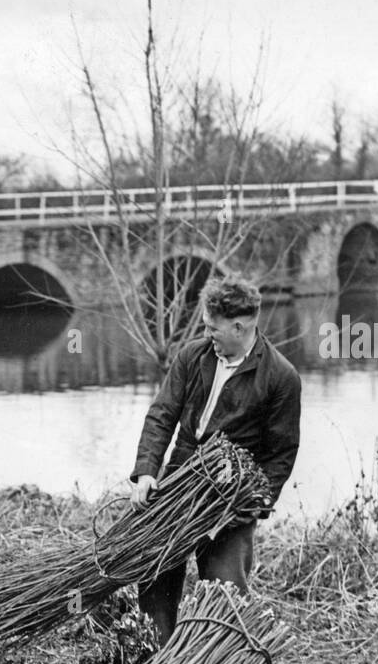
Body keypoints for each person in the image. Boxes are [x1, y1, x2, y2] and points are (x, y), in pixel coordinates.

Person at [128, 274, 301, 643]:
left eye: (213, 328)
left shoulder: (281, 377)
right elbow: (162, 414)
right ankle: (156, 657)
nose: (208, 334)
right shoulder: (193, 355)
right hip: (179, 481)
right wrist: (146, 471)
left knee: (226, 593)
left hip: (230, 501)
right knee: (155, 569)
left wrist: (254, 504)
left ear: (239, 327)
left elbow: (281, 454)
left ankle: (216, 662)